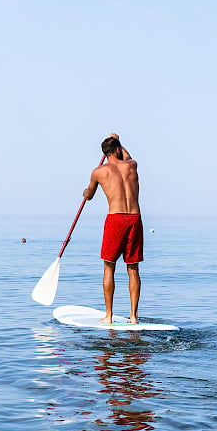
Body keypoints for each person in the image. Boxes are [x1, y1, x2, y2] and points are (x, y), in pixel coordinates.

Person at [82, 133, 143, 324]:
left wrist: (85, 192)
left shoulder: (98, 172)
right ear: (117, 149)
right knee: (133, 269)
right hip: (134, 218)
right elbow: (127, 157)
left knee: (109, 266)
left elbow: (89, 195)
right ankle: (133, 316)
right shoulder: (131, 166)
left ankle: (108, 315)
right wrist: (119, 141)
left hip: (115, 219)